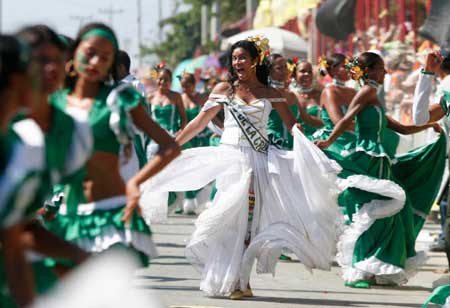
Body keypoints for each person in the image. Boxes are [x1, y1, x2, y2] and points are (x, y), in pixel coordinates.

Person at [128, 37, 343, 300]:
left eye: (243, 57)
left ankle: (242, 279)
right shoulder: (223, 89)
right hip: (230, 160)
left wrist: (308, 142)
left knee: (249, 222)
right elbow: (199, 123)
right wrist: (172, 145)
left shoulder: (269, 92)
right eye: (234, 58)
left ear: (255, 61)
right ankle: (226, 277)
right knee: (228, 219)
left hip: (259, 162)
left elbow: (291, 125)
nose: (238, 62)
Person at [46, 22, 180, 266]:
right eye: (90, 53)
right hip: (68, 215)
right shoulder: (55, 102)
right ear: (74, 53)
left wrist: (136, 184)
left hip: (112, 213)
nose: (96, 62)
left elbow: (170, 147)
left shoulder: (120, 98)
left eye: (105, 57)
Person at [315, 52, 446, 288]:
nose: (386, 72)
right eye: (382, 68)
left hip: (379, 161)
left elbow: (404, 129)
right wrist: (327, 142)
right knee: (370, 212)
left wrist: (432, 127)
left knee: (387, 213)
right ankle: (358, 269)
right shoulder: (366, 92)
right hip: (367, 159)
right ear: (371, 71)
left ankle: (375, 266)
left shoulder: (372, 94)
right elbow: (345, 121)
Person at [266, 54, 322, 149]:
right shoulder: (265, 93)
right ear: (269, 70)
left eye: (285, 67)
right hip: (273, 145)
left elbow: (307, 119)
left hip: (293, 146)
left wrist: (333, 129)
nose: (284, 71)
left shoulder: (291, 95)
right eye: (279, 68)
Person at [312, 54, 356, 155]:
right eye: (345, 66)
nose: (350, 69)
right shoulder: (329, 92)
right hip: (336, 141)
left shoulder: (352, 91)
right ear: (333, 70)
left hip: (353, 137)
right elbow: (339, 122)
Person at [179, 72, 209, 214]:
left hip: (201, 137)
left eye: (187, 86)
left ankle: (193, 195)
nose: (185, 89)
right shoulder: (180, 98)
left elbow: (211, 116)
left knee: (203, 168)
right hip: (186, 137)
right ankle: (188, 199)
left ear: (194, 84)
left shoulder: (201, 98)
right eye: (182, 86)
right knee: (187, 168)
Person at [291, 60, 323, 140]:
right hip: (294, 141)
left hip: (318, 141)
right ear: (294, 74)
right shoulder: (289, 95)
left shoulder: (321, 94)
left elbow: (327, 123)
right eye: (303, 71)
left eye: (310, 72)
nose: (307, 74)